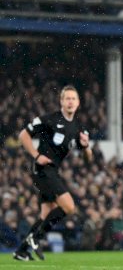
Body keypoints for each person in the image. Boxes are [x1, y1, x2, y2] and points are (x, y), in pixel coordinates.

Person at [13, 85, 93, 261]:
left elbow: (88, 160)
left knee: (45, 215)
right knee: (69, 207)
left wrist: (86, 147)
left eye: (73, 98)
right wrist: (36, 155)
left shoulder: (79, 128)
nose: (70, 101)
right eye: (67, 98)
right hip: (41, 169)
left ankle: (22, 251)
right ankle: (36, 238)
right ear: (61, 102)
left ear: (78, 103)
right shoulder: (49, 119)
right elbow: (23, 135)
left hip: (52, 171)